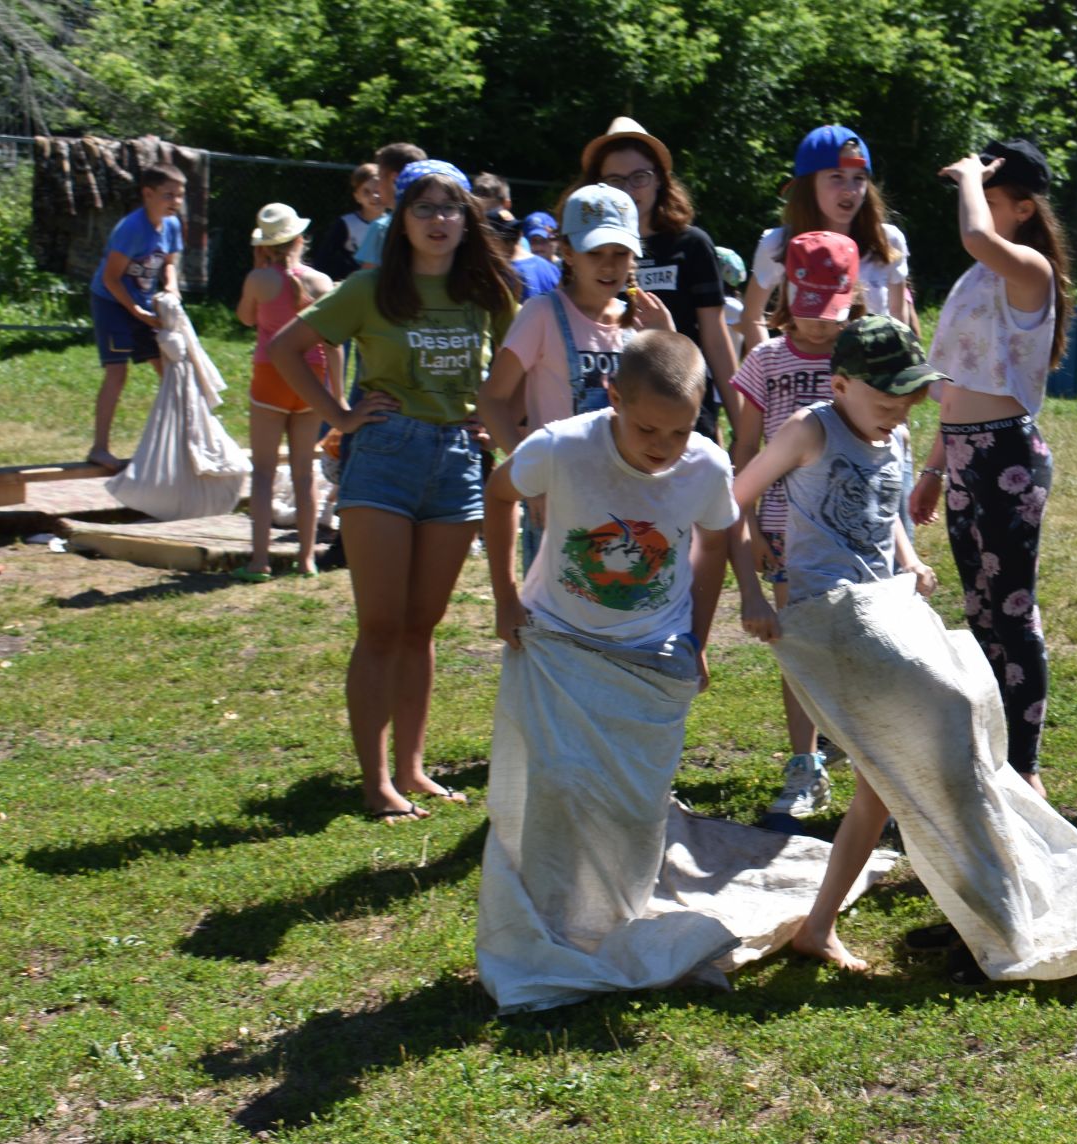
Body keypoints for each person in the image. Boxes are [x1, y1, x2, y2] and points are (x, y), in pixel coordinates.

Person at [730, 316, 1077, 979]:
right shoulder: (811, 430)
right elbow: (730, 501)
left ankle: (821, 927)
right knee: (950, 707)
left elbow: (884, 511)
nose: (897, 417)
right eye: (887, 403)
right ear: (841, 385)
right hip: (829, 620)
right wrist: (748, 591)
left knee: (882, 783)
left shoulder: (892, 435)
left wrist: (910, 559)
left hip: (884, 608)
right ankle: (989, 898)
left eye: (908, 404)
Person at [477, 331, 861, 1012]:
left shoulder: (706, 467)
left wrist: (697, 635)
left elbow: (716, 539)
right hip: (559, 642)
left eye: (680, 430)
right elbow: (499, 491)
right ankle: (550, 927)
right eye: (647, 427)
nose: (662, 445)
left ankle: (610, 923)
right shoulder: (563, 446)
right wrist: (506, 595)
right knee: (559, 784)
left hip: (653, 653)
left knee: (633, 806)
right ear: (613, 398)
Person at [267, 160, 519, 822]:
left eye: (451, 210)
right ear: (400, 219)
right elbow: (289, 348)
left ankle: (412, 768)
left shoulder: (488, 292)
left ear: (469, 220)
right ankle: (375, 780)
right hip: (383, 456)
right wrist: (341, 417)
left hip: (459, 462)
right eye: (425, 209)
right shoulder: (369, 288)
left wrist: (489, 415)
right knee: (380, 626)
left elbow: (521, 363)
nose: (439, 222)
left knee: (421, 627)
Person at [909, 140, 1072, 796]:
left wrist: (970, 177)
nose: (979, 206)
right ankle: (992, 753)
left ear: (1025, 210)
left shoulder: (1028, 268)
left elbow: (976, 233)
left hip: (1006, 456)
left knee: (1012, 611)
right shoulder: (979, 279)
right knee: (978, 614)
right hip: (965, 455)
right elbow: (957, 380)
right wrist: (933, 467)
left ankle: (1025, 767)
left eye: (995, 196)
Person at [728, 231, 862, 825]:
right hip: (784, 532)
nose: (818, 326)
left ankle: (869, 764)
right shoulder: (766, 360)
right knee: (798, 650)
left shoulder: (858, 356)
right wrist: (751, 524)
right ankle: (805, 764)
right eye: (808, 309)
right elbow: (746, 447)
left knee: (855, 651)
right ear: (787, 296)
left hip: (851, 532)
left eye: (830, 312)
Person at [476, 183, 673, 569]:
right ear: (567, 251)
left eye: (620, 253)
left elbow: (670, 409)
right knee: (557, 622)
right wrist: (529, 475)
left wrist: (666, 337)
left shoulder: (642, 323)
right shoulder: (542, 314)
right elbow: (492, 400)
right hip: (559, 499)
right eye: (594, 252)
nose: (608, 265)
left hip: (630, 499)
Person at [577, 117, 741, 444]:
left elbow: (715, 337)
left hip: (683, 412)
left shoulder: (691, 245)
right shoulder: (583, 251)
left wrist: (742, 425)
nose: (629, 189)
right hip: (610, 418)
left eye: (640, 177)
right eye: (615, 180)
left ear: (659, 180)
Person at [234, 202, 341, 581]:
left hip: (271, 375)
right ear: (300, 239)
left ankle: (259, 561)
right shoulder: (322, 282)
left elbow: (246, 318)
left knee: (263, 473)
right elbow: (333, 342)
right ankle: (307, 559)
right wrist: (338, 396)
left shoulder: (258, 280)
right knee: (304, 474)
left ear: (263, 245)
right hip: (311, 379)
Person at [739, 125, 912, 355]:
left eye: (858, 178)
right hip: (802, 386)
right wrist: (767, 373)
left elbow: (899, 318)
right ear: (809, 185)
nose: (850, 190)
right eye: (837, 177)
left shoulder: (889, 240)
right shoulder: (777, 244)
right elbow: (751, 316)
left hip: (870, 385)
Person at [88, 164, 185, 471]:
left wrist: (171, 286)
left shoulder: (171, 224)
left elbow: (169, 263)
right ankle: (99, 448)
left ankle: (181, 441)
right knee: (117, 374)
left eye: (180, 196)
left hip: (143, 303)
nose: (175, 202)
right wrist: (137, 312)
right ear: (148, 194)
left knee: (169, 370)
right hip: (112, 304)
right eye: (169, 195)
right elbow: (111, 279)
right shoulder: (131, 229)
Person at [352, 142, 428, 272]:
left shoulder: (382, 228)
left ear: (394, 179)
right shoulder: (438, 222)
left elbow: (366, 280)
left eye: (380, 176)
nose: (377, 186)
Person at [310, 162, 383, 281]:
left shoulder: (396, 223)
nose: (374, 196)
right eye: (366, 191)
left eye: (378, 191)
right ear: (357, 196)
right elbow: (323, 259)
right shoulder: (346, 223)